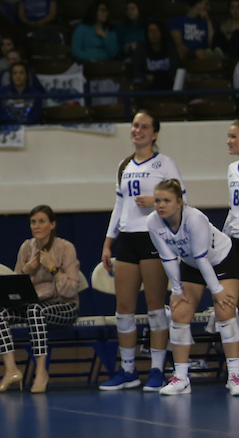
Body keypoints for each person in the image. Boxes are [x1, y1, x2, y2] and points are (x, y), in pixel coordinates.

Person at [99, 111, 181, 392]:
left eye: (144, 127)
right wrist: (109, 242)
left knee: (156, 308)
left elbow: (182, 200)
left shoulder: (164, 163)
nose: (138, 130)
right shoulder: (124, 165)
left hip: (153, 237)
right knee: (124, 309)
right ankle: (128, 370)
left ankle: (157, 370)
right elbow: (119, 205)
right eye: (135, 125)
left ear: (155, 134)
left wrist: (155, 201)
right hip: (128, 240)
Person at [147, 179, 239, 396]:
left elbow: (202, 257)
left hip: (221, 260)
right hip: (191, 265)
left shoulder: (195, 218)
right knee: (179, 313)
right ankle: (181, 377)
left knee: (225, 310)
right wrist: (177, 291)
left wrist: (217, 290)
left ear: (179, 202)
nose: (161, 205)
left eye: (167, 200)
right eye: (157, 200)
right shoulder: (153, 222)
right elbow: (168, 258)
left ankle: (235, 375)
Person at [0, 205, 81, 394]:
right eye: (33, 222)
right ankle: (11, 370)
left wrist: (53, 268)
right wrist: (24, 272)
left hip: (64, 306)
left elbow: (71, 290)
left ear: (52, 225)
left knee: (35, 312)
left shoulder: (65, 248)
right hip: (33, 304)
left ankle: (40, 372)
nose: (36, 226)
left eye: (41, 222)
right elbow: (14, 288)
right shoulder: (26, 247)